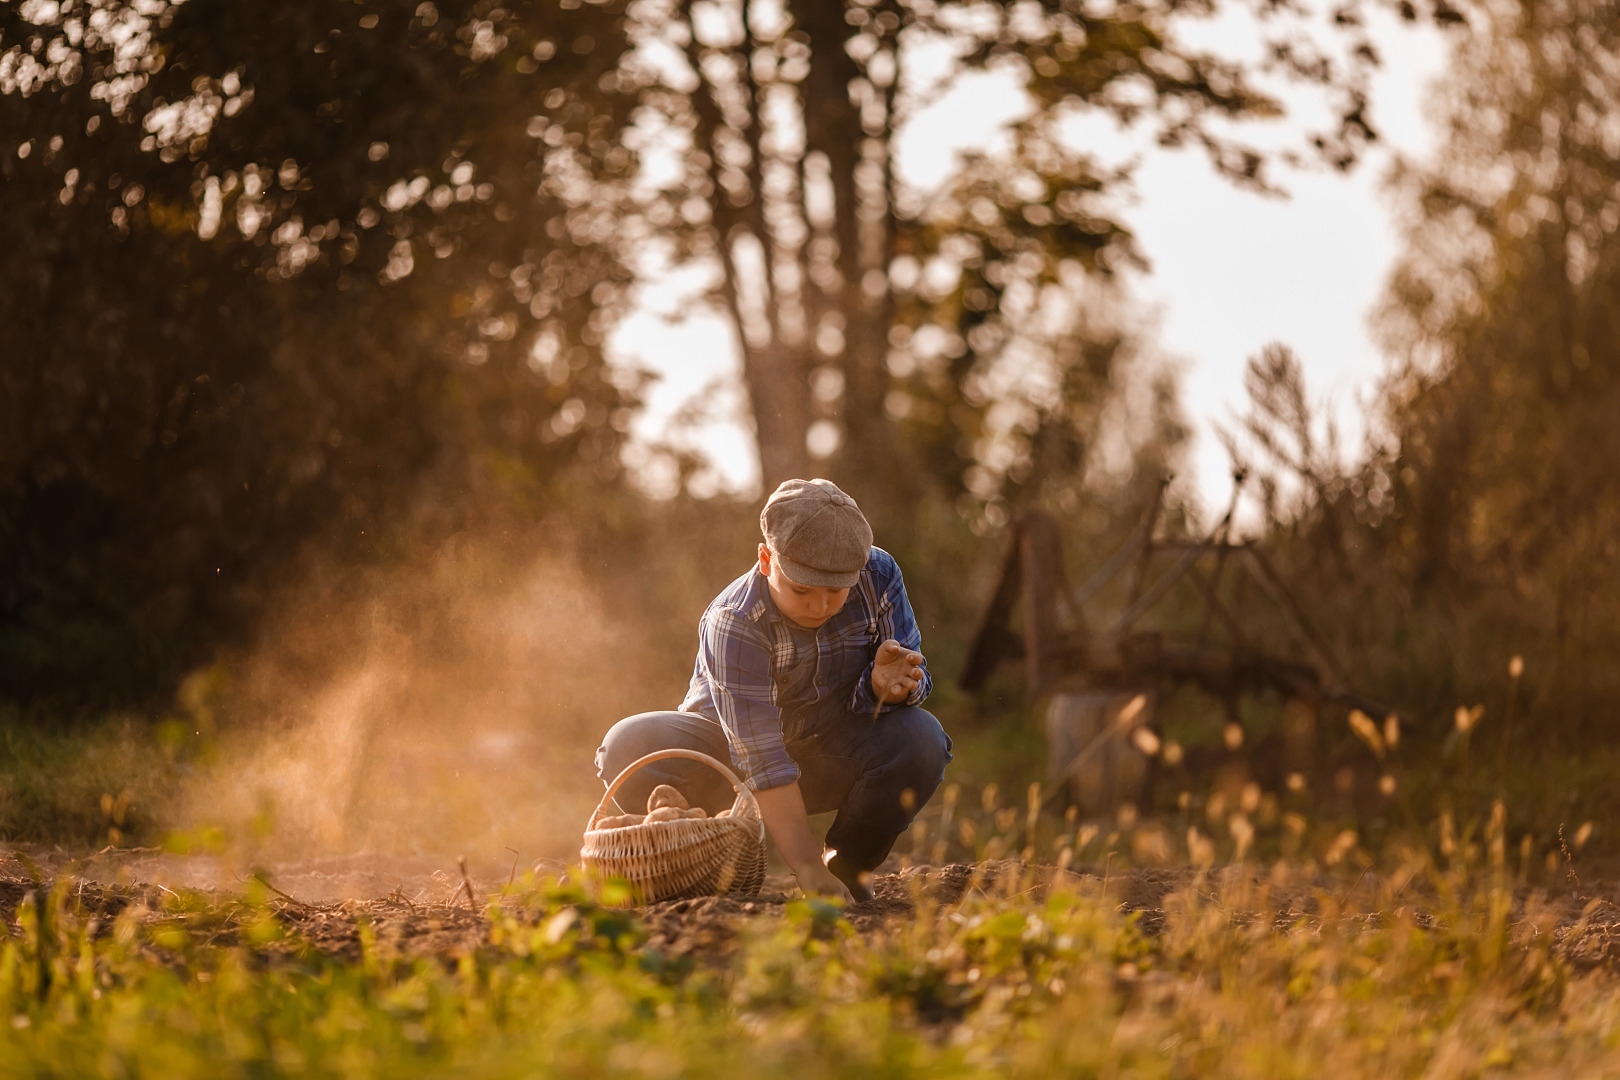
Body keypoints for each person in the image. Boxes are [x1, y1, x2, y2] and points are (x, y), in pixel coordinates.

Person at [595, 478, 952, 902]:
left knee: (922, 738)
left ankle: (849, 865)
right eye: (801, 589)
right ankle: (713, 849)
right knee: (628, 745)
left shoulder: (878, 574)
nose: (819, 607)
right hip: (731, 759)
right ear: (766, 559)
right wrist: (803, 867)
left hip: (828, 747)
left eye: (836, 592)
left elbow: (913, 679)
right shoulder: (735, 620)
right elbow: (760, 756)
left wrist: (887, 689)